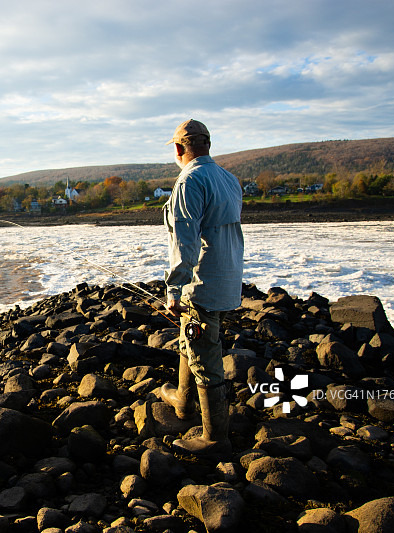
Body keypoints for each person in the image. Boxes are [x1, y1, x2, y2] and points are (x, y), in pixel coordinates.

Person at [160, 118, 244, 458]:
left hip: (202, 284)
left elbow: (186, 242)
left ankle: (215, 438)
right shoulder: (229, 178)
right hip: (227, 278)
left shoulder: (189, 180)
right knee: (192, 338)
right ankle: (182, 402)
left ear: (180, 149)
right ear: (208, 144)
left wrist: (173, 290)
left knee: (204, 353)